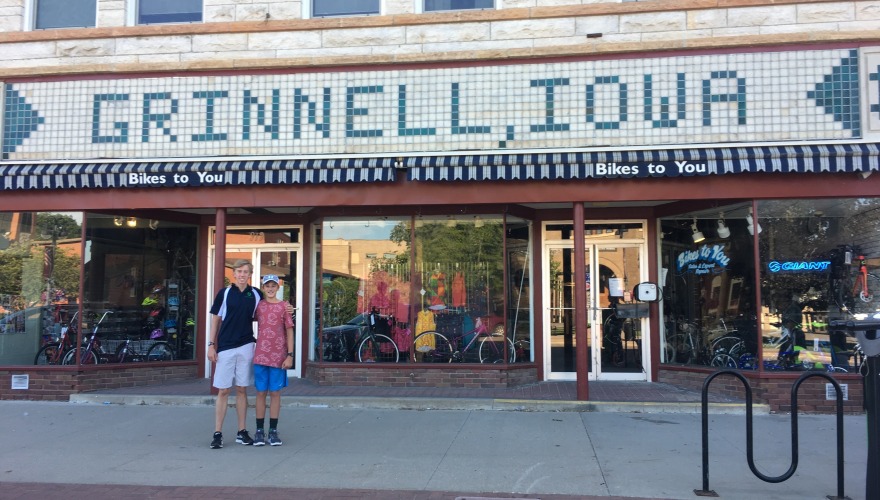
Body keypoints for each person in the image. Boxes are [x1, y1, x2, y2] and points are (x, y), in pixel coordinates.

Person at [208, 259, 262, 449]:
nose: (241, 274)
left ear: (250, 274)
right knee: (223, 390)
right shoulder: (225, 293)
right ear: (234, 273)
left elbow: (270, 309)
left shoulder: (255, 294)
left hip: (246, 345)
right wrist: (211, 344)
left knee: (241, 389)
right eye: (239, 271)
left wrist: (287, 308)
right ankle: (218, 433)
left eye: (245, 271)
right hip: (225, 346)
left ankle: (241, 431)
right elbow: (216, 320)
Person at [252, 274, 294, 446]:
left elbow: (289, 331)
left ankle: (274, 430)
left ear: (278, 287)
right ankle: (259, 430)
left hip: (278, 356)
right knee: (261, 393)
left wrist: (290, 355)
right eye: (267, 286)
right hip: (261, 355)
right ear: (263, 288)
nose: (270, 289)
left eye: (273, 286)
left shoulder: (284, 307)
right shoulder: (259, 306)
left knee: (275, 393)